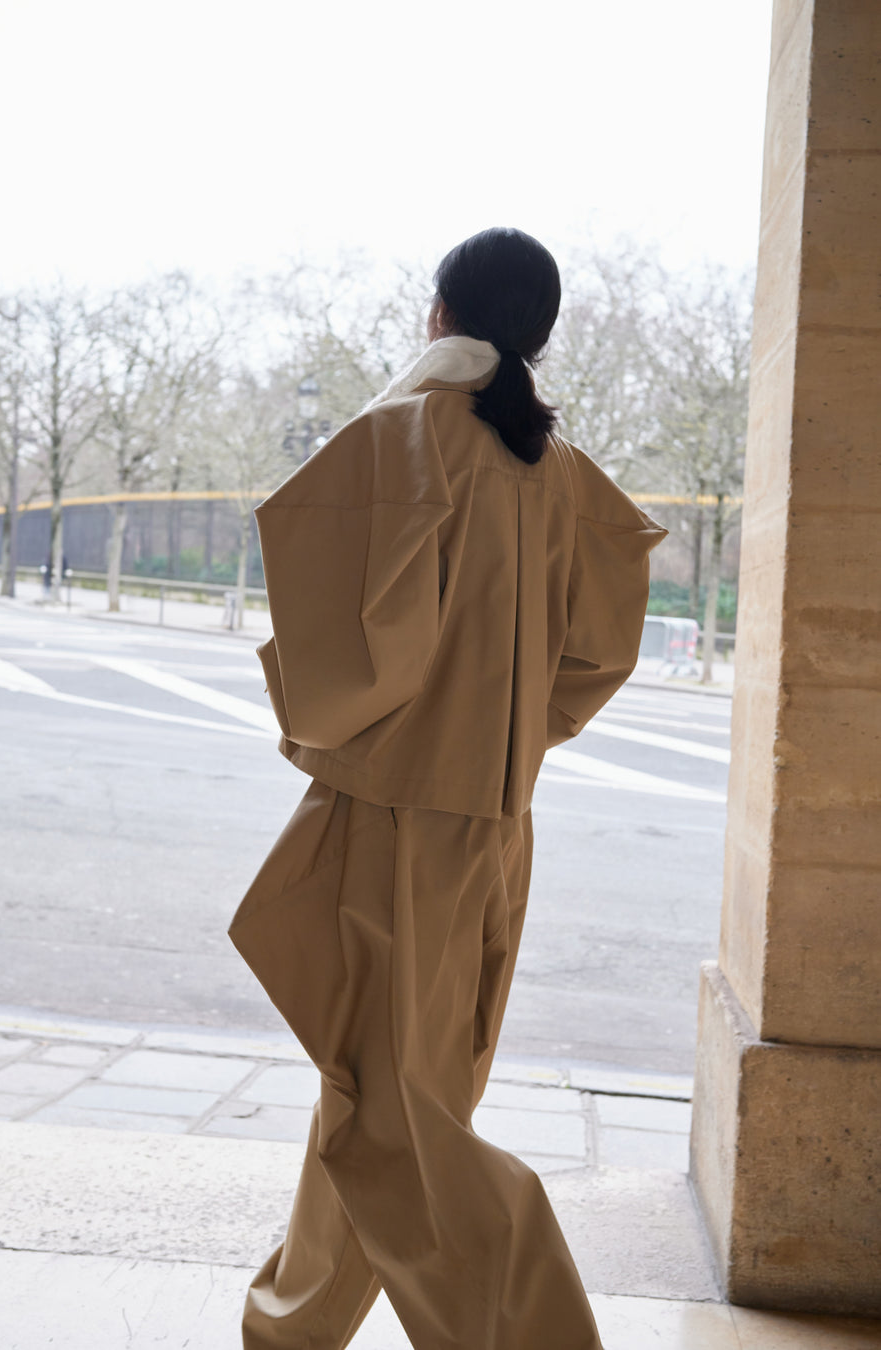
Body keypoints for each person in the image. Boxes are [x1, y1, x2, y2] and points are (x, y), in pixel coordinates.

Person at [229, 227, 667, 1350]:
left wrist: (369, 726)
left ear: (439, 313)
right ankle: (295, 1323)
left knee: (400, 1116)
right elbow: (600, 653)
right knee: (384, 1092)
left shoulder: (402, 438)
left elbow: (342, 636)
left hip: (393, 820)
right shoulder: (558, 469)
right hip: (495, 824)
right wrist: (512, 730)